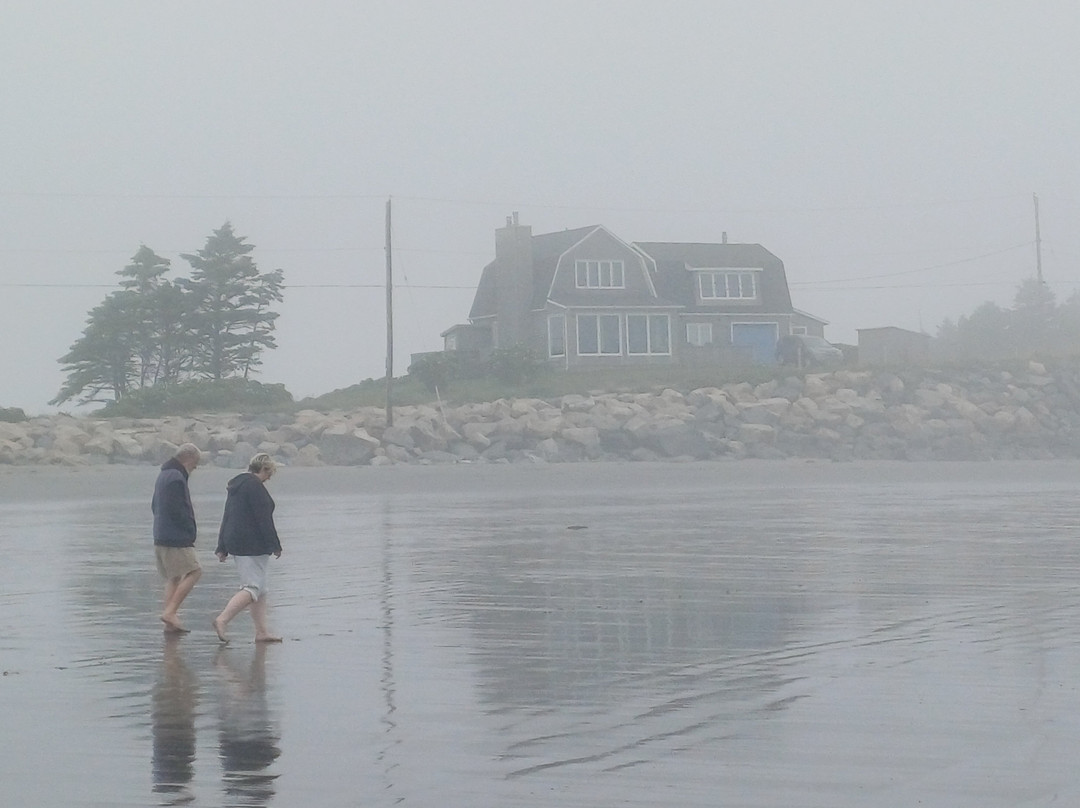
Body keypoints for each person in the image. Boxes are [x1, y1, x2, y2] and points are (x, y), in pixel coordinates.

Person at [213, 453, 284, 644]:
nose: (270, 477)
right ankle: (223, 619)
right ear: (264, 469)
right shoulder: (254, 487)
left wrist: (222, 546)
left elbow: (228, 515)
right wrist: (275, 544)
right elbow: (263, 519)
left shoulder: (237, 486)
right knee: (252, 587)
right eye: (270, 472)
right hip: (252, 544)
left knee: (261, 589)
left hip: (236, 541)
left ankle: (261, 632)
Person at [152, 443, 202, 633]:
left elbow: (154, 505)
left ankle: (170, 622)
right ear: (188, 459)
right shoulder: (175, 476)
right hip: (175, 536)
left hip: (161, 534)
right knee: (195, 571)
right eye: (196, 463)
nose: (196, 467)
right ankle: (170, 612)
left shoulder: (163, 475)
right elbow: (176, 509)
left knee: (174, 577)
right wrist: (189, 530)